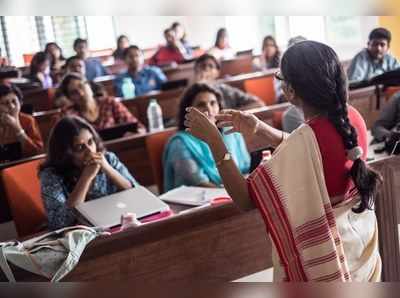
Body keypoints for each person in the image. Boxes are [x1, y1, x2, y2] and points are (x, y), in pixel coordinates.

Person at [184, 41, 382, 281]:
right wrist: (262, 130)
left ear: (290, 91)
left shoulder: (304, 143)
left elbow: (246, 199)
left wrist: (215, 142)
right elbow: (313, 150)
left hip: (328, 264)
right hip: (358, 250)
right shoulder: (352, 118)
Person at [39, 116, 138, 230]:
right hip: (79, 235)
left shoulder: (108, 159)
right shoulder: (51, 175)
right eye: (80, 147)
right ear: (65, 153)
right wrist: (86, 178)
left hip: (115, 224)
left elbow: (136, 192)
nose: (90, 151)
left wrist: (108, 169)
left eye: (91, 142)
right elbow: (60, 222)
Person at [163, 83, 250, 191]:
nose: (209, 109)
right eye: (201, 104)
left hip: (235, 195)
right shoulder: (180, 143)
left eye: (213, 103)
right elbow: (197, 182)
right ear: (189, 112)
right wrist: (234, 193)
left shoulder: (231, 131)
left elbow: (245, 169)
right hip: (200, 202)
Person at [58, 73, 145, 131]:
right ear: (70, 98)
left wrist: (134, 132)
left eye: (81, 86)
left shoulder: (109, 103)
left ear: (89, 85)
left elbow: (139, 128)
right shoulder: (68, 115)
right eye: (74, 92)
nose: (81, 93)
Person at [193, 54, 263, 110]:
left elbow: (258, 103)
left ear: (217, 73)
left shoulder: (226, 90)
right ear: (196, 71)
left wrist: (231, 115)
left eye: (211, 66)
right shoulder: (190, 93)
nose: (206, 69)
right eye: (203, 66)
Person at [0, 84, 43, 161]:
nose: (12, 107)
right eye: (6, 103)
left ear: (20, 103)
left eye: (14, 102)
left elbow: (37, 152)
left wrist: (17, 128)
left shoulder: (28, 120)